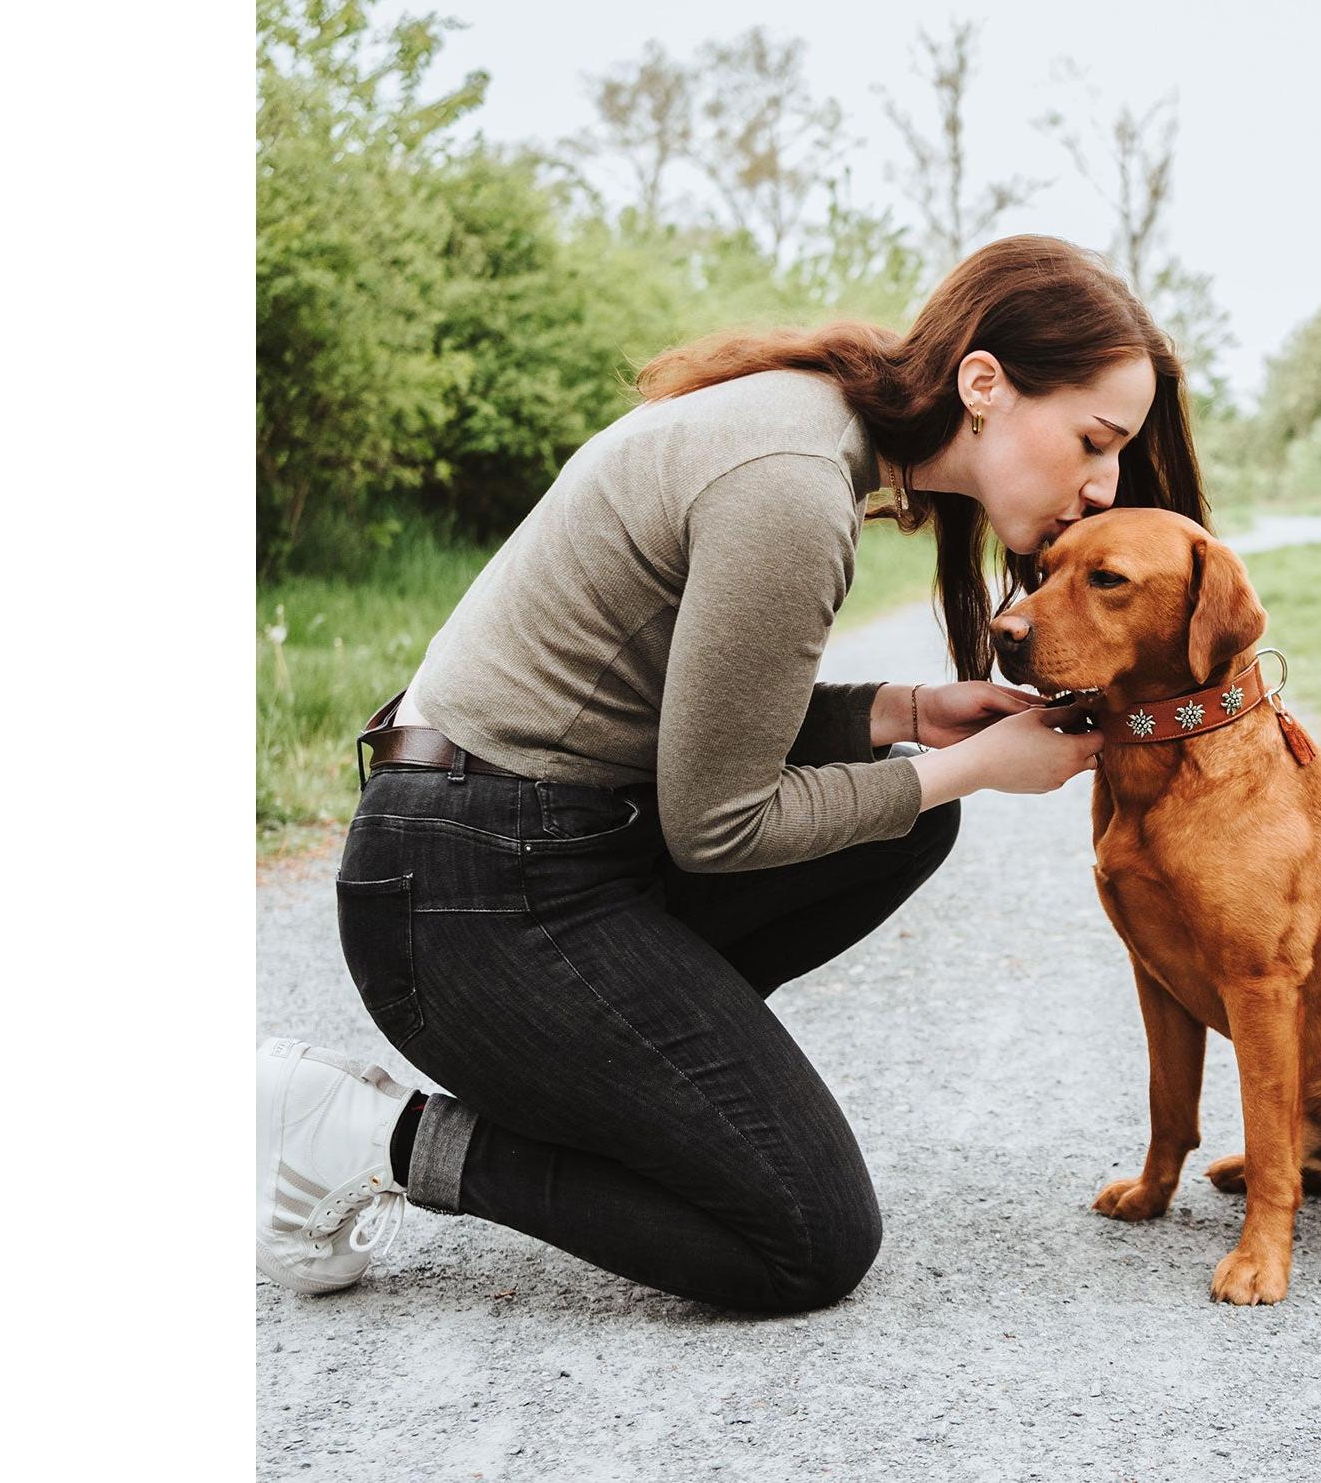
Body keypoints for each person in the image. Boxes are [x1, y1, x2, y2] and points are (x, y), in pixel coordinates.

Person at [255, 234, 1213, 1313]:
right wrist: (978, 767)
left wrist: (903, 714)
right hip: (462, 889)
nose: (1103, 485)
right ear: (983, 383)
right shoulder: (792, 486)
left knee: (903, 821)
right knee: (805, 1238)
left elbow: (702, 717)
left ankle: (626, 1086)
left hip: (528, 834)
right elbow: (720, 825)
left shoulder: (814, 430)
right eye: (1094, 440)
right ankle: (375, 1135)